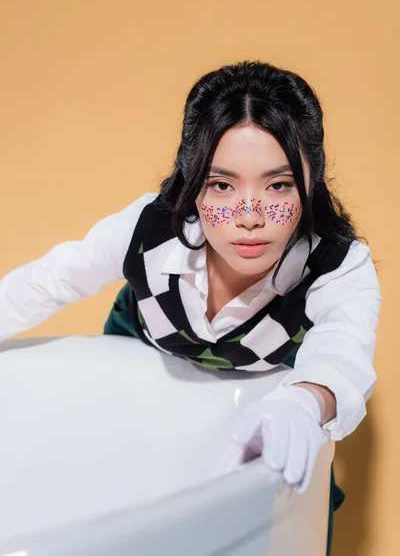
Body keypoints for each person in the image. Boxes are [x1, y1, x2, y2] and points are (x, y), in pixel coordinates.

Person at [0, 61, 381, 555]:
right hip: (145, 361)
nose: (249, 215)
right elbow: (48, 282)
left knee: (292, 499)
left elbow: (342, 351)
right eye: (222, 185)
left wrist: (303, 401)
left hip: (264, 395)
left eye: (278, 185)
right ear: (191, 177)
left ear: (313, 180)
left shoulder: (337, 264)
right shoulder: (148, 229)